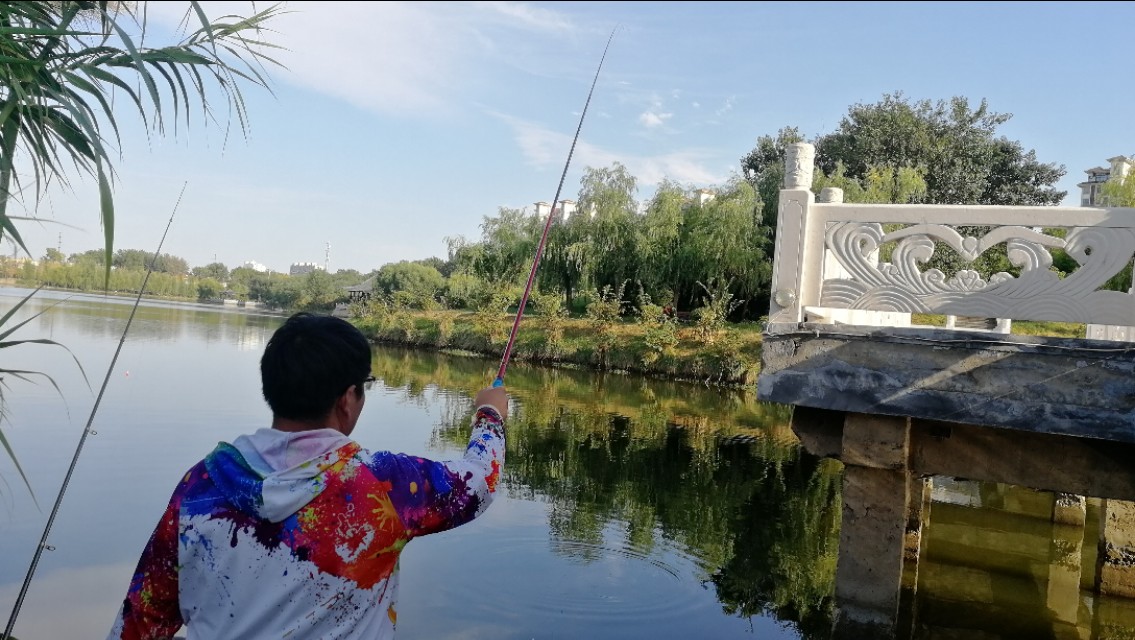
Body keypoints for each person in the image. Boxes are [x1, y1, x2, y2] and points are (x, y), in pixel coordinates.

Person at [106, 312, 508, 639]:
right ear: (347, 399)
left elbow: (142, 620)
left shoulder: (202, 484)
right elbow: (479, 482)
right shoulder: (383, 485)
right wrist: (489, 414)